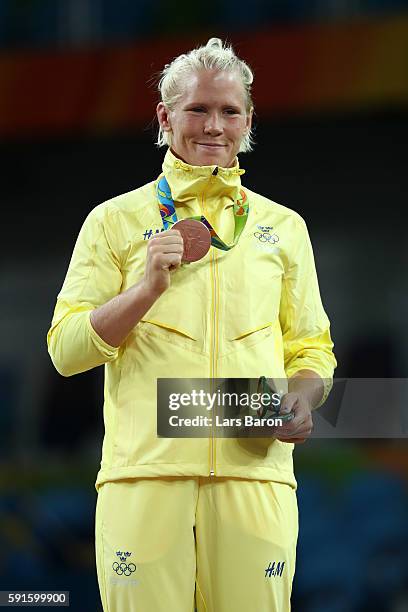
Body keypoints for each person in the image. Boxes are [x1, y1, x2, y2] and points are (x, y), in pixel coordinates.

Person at [47, 38, 336, 612]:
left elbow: (312, 350)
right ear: (164, 117)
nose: (214, 125)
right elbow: (66, 349)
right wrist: (146, 289)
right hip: (144, 483)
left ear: (248, 121)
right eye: (198, 108)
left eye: (230, 111)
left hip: (255, 478)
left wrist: (304, 399)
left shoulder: (284, 228)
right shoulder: (114, 222)